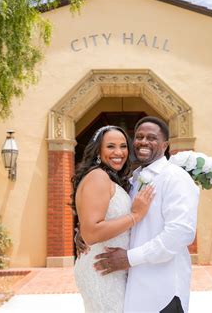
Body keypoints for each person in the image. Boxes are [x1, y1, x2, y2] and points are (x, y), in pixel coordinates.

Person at [94, 117, 200, 313]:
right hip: (134, 288)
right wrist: (85, 233)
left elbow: (180, 233)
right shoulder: (134, 178)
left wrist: (130, 258)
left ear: (165, 145)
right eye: (139, 137)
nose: (143, 142)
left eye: (152, 137)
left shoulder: (175, 178)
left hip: (163, 290)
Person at [73, 125, 155, 313]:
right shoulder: (98, 177)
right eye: (110, 146)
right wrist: (135, 216)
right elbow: (91, 233)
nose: (119, 152)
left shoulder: (108, 178)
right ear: (98, 151)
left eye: (123, 146)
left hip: (112, 268)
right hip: (101, 269)